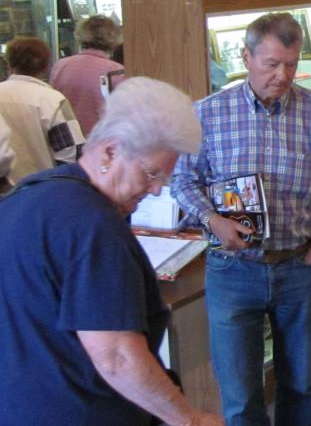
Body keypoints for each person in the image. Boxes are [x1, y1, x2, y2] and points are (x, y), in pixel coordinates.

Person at [0, 77, 222, 425]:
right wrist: (188, 419)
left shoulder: (29, 195)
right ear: (109, 150)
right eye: (151, 175)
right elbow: (116, 356)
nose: (154, 190)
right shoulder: (93, 224)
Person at [172, 13, 311, 426]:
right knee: (240, 393)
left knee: (299, 385)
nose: (282, 75)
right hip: (233, 271)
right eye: (271, 64)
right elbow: (182, 180)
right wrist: (213, 220)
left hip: (297, 266)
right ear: (246, 57)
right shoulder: (208, 113)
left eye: (291, 63)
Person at [0, 37, 85, 183]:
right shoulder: (52, 100)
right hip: (42, 188)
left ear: (9, 64)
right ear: (46, 66)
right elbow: (71, 153)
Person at [50, 15, 127, 135]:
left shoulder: (60, 66)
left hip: (66, 139)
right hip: (101, 140)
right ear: (114, 37)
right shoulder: (116, 71)